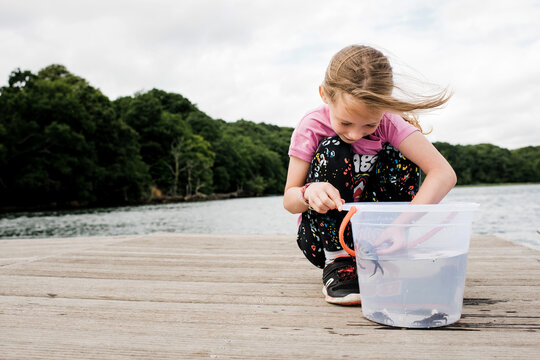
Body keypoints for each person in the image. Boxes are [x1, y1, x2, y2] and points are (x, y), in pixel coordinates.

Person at [283, 45, 457, 305]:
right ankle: (339, 261)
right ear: (324, 95)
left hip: (384, 239)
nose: (355, 134)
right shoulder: (312, 126)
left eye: (370, 124)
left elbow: (443, 173)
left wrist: (403, 225)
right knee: (334, 146)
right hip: (322, 237)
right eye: (345, 122)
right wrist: (309, 193)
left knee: (399, 153)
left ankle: (386, 256)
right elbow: (289, 199)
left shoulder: (390, 123)